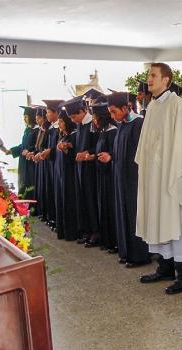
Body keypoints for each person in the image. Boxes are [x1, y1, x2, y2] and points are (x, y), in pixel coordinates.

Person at [135, 63, 182, 295]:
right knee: (159, 219)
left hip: (173, 176)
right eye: (149, 75)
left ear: (166, 79)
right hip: (156, 177)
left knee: (178, 222)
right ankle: (165, 267)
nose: (149, 79)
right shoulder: (153, 106)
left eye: (153, 75)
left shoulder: (177, 105)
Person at [106, 92, 150, 267]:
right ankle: (126, 252)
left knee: (134, 215)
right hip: (121, 177)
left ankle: (139, 255)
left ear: (125, 108)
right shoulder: (122, 125)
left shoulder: (138, 123)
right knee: (123, 213)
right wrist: (110, 156)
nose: (112, 116)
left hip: (134, 179)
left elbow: (143, 153)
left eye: (114, 111)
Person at [62, 97, 99, 247]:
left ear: (83, 111)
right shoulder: (80, 126)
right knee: (83, 200)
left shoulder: (93, 124)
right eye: (70, 117)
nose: (73, 119)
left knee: (91, 200)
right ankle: (87, 230)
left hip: (91, 169)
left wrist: (87, 152)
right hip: (80, 168)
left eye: (74, 116)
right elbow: (78, 144)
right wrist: (69, 145)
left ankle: (96, 232)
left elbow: (98, 144)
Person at [90, 103, 118, 252]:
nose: (94, 121)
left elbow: (115, 152)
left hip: (110, 176)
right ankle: (107, 240)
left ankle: (114, 241)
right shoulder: (103, 131)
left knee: (111, 208)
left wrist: (110, 157)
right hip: (102, 175)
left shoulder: (112, 131)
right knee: (104, 207)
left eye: (96, 118)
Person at [38, 100, 64, 230]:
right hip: (50, 162)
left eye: (48, 112)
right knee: (50, 189)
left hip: (56, 164)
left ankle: (55, 218)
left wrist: (50, 151)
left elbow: (55, 146)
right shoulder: (51, 128)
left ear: (56, 113)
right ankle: (52, 217)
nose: (47, 115)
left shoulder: (58, 128)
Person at [53, 110, 78, 241]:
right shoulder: (62, 135)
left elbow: (74, 153)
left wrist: (67, 147)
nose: (60, 124)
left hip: (69, 174)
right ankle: (62, 229)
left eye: (62, 121)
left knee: (69, 200)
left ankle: (71, 232)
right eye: (59, 121)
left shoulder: (73, 135)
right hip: (60, 173)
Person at [6, 107, 39, 197]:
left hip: (31, 162)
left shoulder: (37, 131)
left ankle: (32, 207)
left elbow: (37, 147)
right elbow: (23, 145)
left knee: (30, 183)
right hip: (23, 162)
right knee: (22, 182)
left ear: (32, 117)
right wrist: (12, 150)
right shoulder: (27, 130)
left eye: (26, 116)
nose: (24, 119)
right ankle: (23, 206)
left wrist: (29, 150)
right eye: (23, 116)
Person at [30, 107, 50, 219]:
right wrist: (34, 153)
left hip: (46, 163)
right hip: (40, 162)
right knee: (40, 187)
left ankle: (46, 213)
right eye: (36, 119)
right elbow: (38, 147)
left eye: (39, 118)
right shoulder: (40, 130)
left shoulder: (48, 130)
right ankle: (42, 211)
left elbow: (46, 147)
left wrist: (40, 154)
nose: (37, 121)